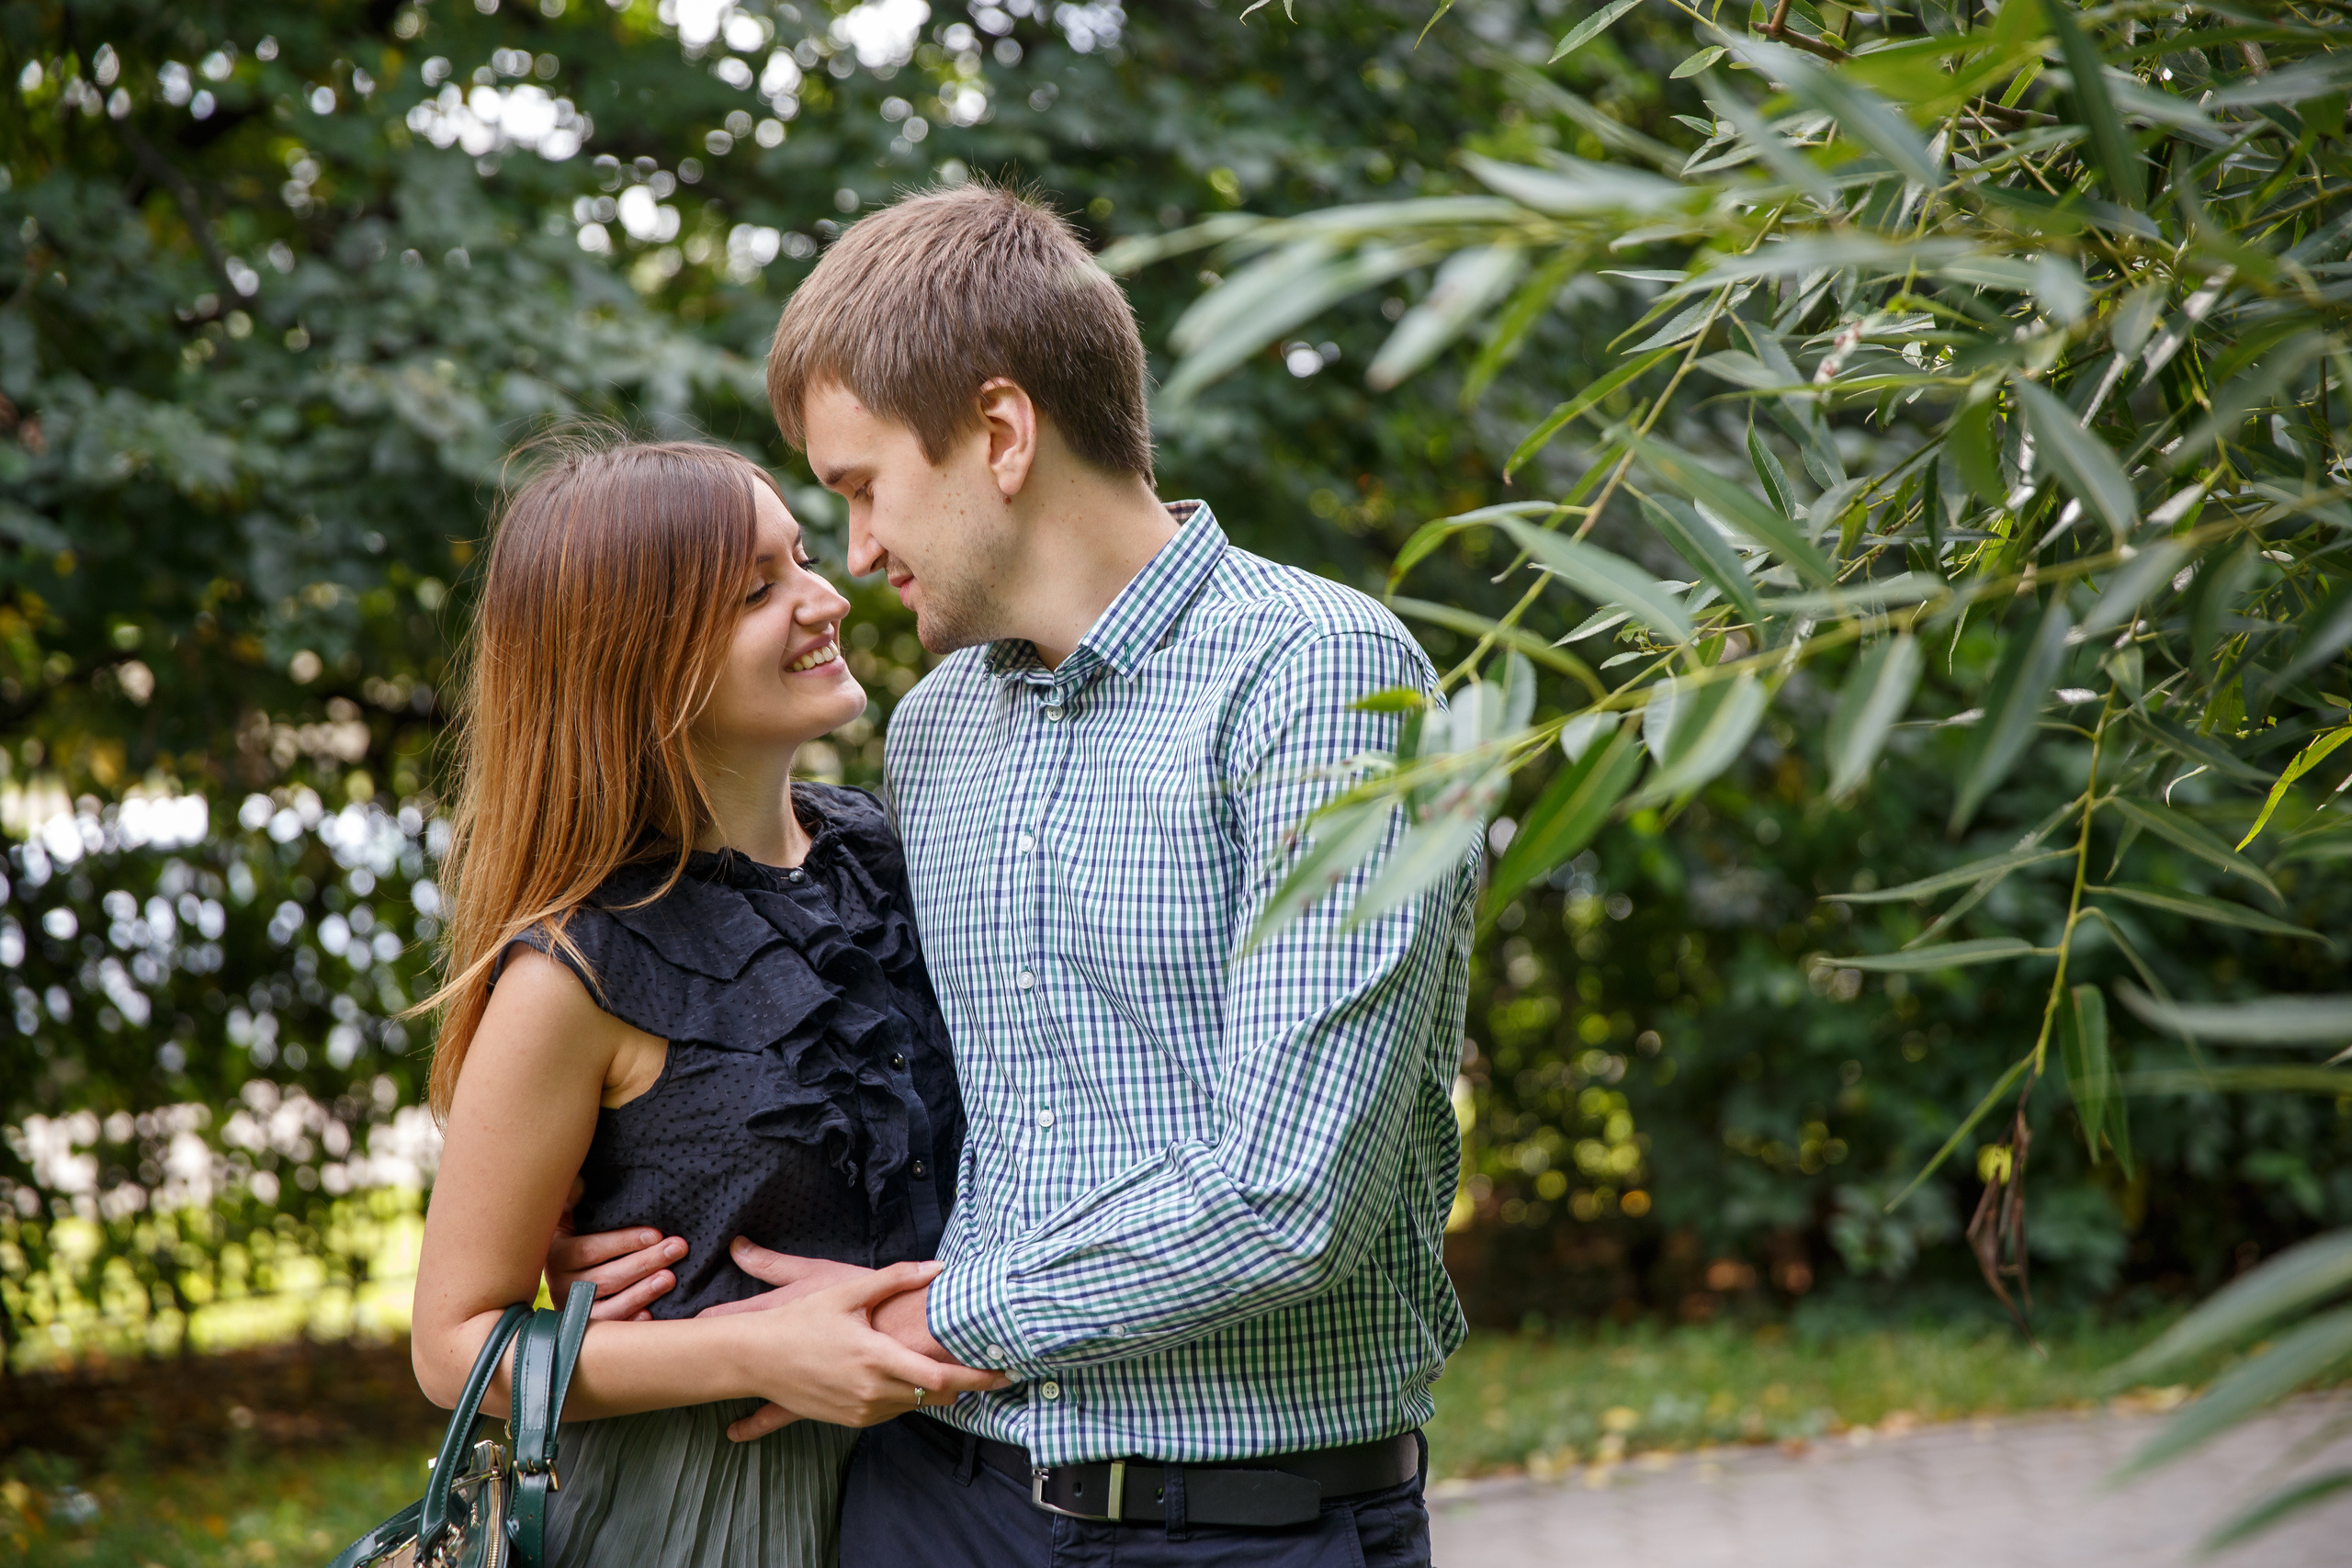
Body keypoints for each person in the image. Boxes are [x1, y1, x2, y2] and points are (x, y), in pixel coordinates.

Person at [553, 184, 1479, 1568]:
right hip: (931, 1501)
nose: (857, 552)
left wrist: (943, 1318)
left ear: (1000, 433)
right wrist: (638, 1247)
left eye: (863, 488)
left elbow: (1291, 1197)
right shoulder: (934, 736)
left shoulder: (1318, 682)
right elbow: (880, 1089)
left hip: (1237, 1521)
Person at [407, 432, 1004, 1568]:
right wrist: (747, 1346)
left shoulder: (888, 854)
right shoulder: (575, 967)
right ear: (639, 660)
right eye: (758, 590)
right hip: (713, 1507)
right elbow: (454, 1348)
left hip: (960, 1480)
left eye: (801, 559)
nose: (827, 598)